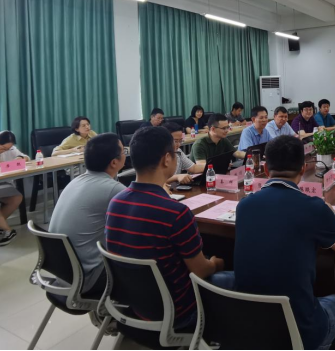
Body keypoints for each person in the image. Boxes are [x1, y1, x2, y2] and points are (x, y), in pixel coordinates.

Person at [234, 136, 335, 351]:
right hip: (299, 331)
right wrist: (330, 214)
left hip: (249, 324)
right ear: (303, 168)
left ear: (265, 169)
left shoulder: (244, 205)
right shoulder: (314, 208)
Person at [106, 127, 228, 331]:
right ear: (167, 159)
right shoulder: (176, 212)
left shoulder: (115, 203)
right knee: (234, 277)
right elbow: (201, 271)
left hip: (134, 306)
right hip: (180, 314)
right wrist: (216, 264)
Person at [49, 134, 126, 293]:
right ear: (114, 162)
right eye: (123, 151)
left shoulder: (76, 181)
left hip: (62, 272)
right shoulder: (113, 189)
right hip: (89, 277)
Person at [162, 123, 207, 188]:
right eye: (175, 141)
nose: (179, 144)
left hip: (174, 190)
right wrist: (176, 177)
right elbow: (154, 180)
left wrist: (212, 166)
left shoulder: (178, 152)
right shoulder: (156, 155)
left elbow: (193, 168)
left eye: (180, 141)